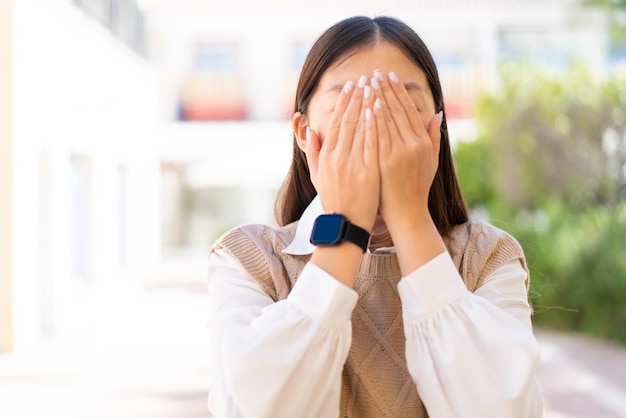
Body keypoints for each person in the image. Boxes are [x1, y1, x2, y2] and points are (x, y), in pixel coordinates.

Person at [207, 15, 544, 418]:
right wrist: (345, 224)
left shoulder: (486, 259)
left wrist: (411, 219)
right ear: (304, 132)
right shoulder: (249, 262)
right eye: (349, 108)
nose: (374, 131)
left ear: (436, 129)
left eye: (400, 108)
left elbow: (504, 409)